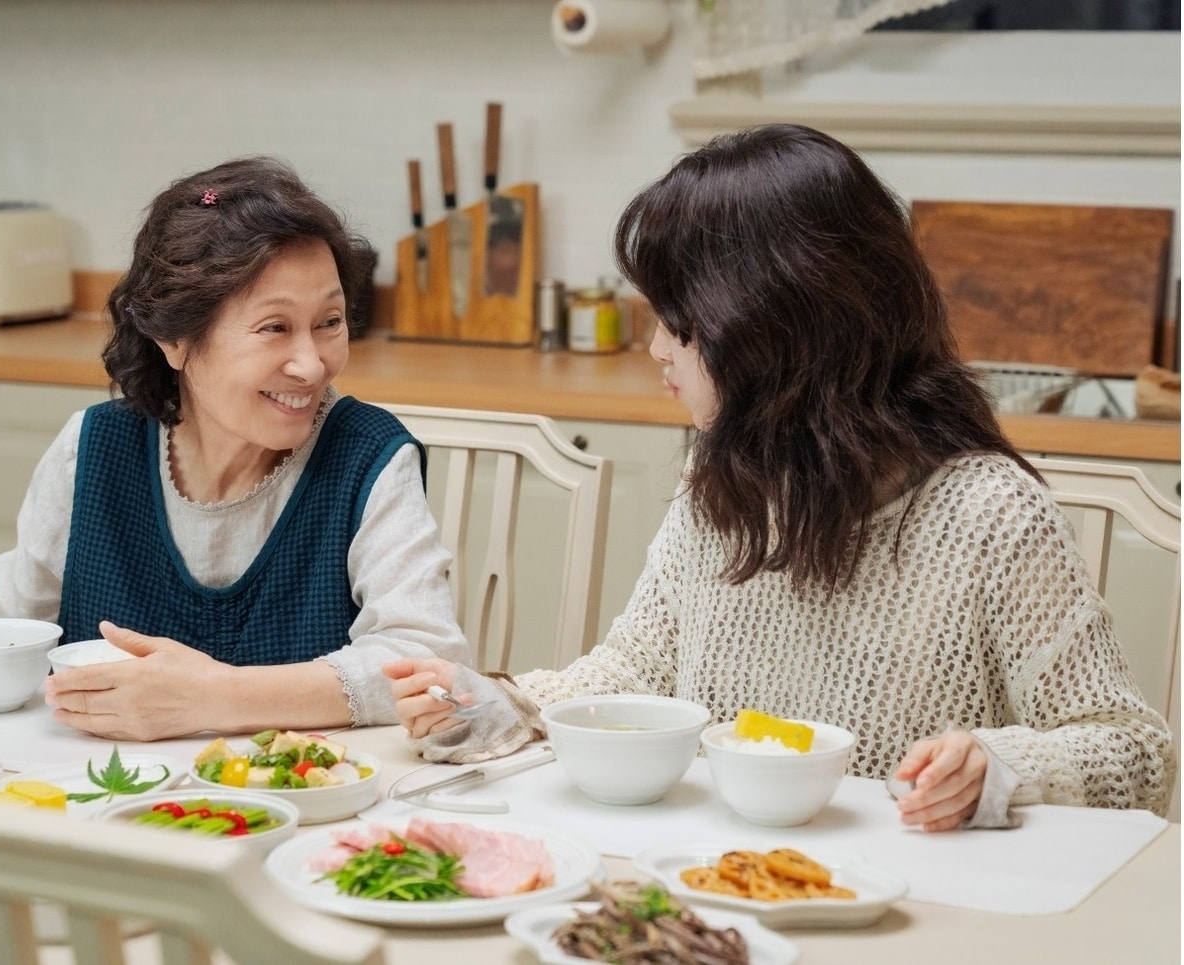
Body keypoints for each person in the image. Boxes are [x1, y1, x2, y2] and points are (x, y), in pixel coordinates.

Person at [385, 124, 1177, 831]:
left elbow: (1132, 751)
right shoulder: (722, 479)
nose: (657, 349)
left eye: (677, 319)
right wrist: (507, 704)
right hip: (723, 882)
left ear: (773, 321)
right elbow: (637, 670)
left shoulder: (989, 514)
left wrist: (998, 769)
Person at [0, 155, 469, 740]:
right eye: (273, 328)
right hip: (97, 809)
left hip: (297, 822)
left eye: (328, 322)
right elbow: (9, 617)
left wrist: (220, 696)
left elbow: (424, 659)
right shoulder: (95, 448)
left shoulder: (368, 455)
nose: (311, 364)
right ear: (174, 338)